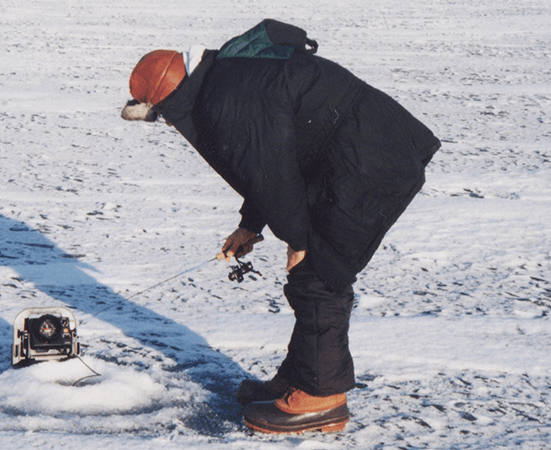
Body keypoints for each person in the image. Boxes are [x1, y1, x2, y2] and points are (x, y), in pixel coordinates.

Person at [121, 19, 440, 434]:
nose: (165, 123)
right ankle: (299, 378)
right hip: (360, 150)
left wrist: (300, 239)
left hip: (369, 164)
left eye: (162, 114)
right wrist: (250, 225)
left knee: (318, 273)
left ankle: (322, 398)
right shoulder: (225, 78)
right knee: (312, 267)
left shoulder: (225, 100)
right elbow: (269, 160)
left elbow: (273, 172)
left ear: (172, 97)